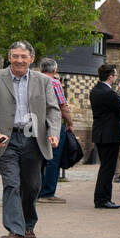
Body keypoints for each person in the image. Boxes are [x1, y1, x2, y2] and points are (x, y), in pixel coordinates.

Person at [0, 41, 62, 238]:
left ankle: (28, 224)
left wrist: (53, 132)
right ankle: (15, 231)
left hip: (33, 139)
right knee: (11, 183)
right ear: (9, 58)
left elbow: (53, 110)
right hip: (5, 140)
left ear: (31, 59)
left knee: (32, 185)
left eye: (23, 56)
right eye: (15, 56)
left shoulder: (43, 81)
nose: (19, 60)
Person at [89, 62, 120, 209]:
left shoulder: (95, 90)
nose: (116, 78)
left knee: (105, 167)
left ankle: (102, 198)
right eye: (116, 75)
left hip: (100, 132)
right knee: (108, 168)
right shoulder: (108, 93)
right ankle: (103, 199)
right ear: (110, 76)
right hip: (110, 133)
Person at [36, 57, 72, 204]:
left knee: (39, 159)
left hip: (36, 124)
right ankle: (48, 192)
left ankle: (36, 190)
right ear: (54, 70)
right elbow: (62, 106)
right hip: (53, 125)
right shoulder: (54, 82)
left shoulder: (34, 80)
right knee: (53, 158)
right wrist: (70, 122)